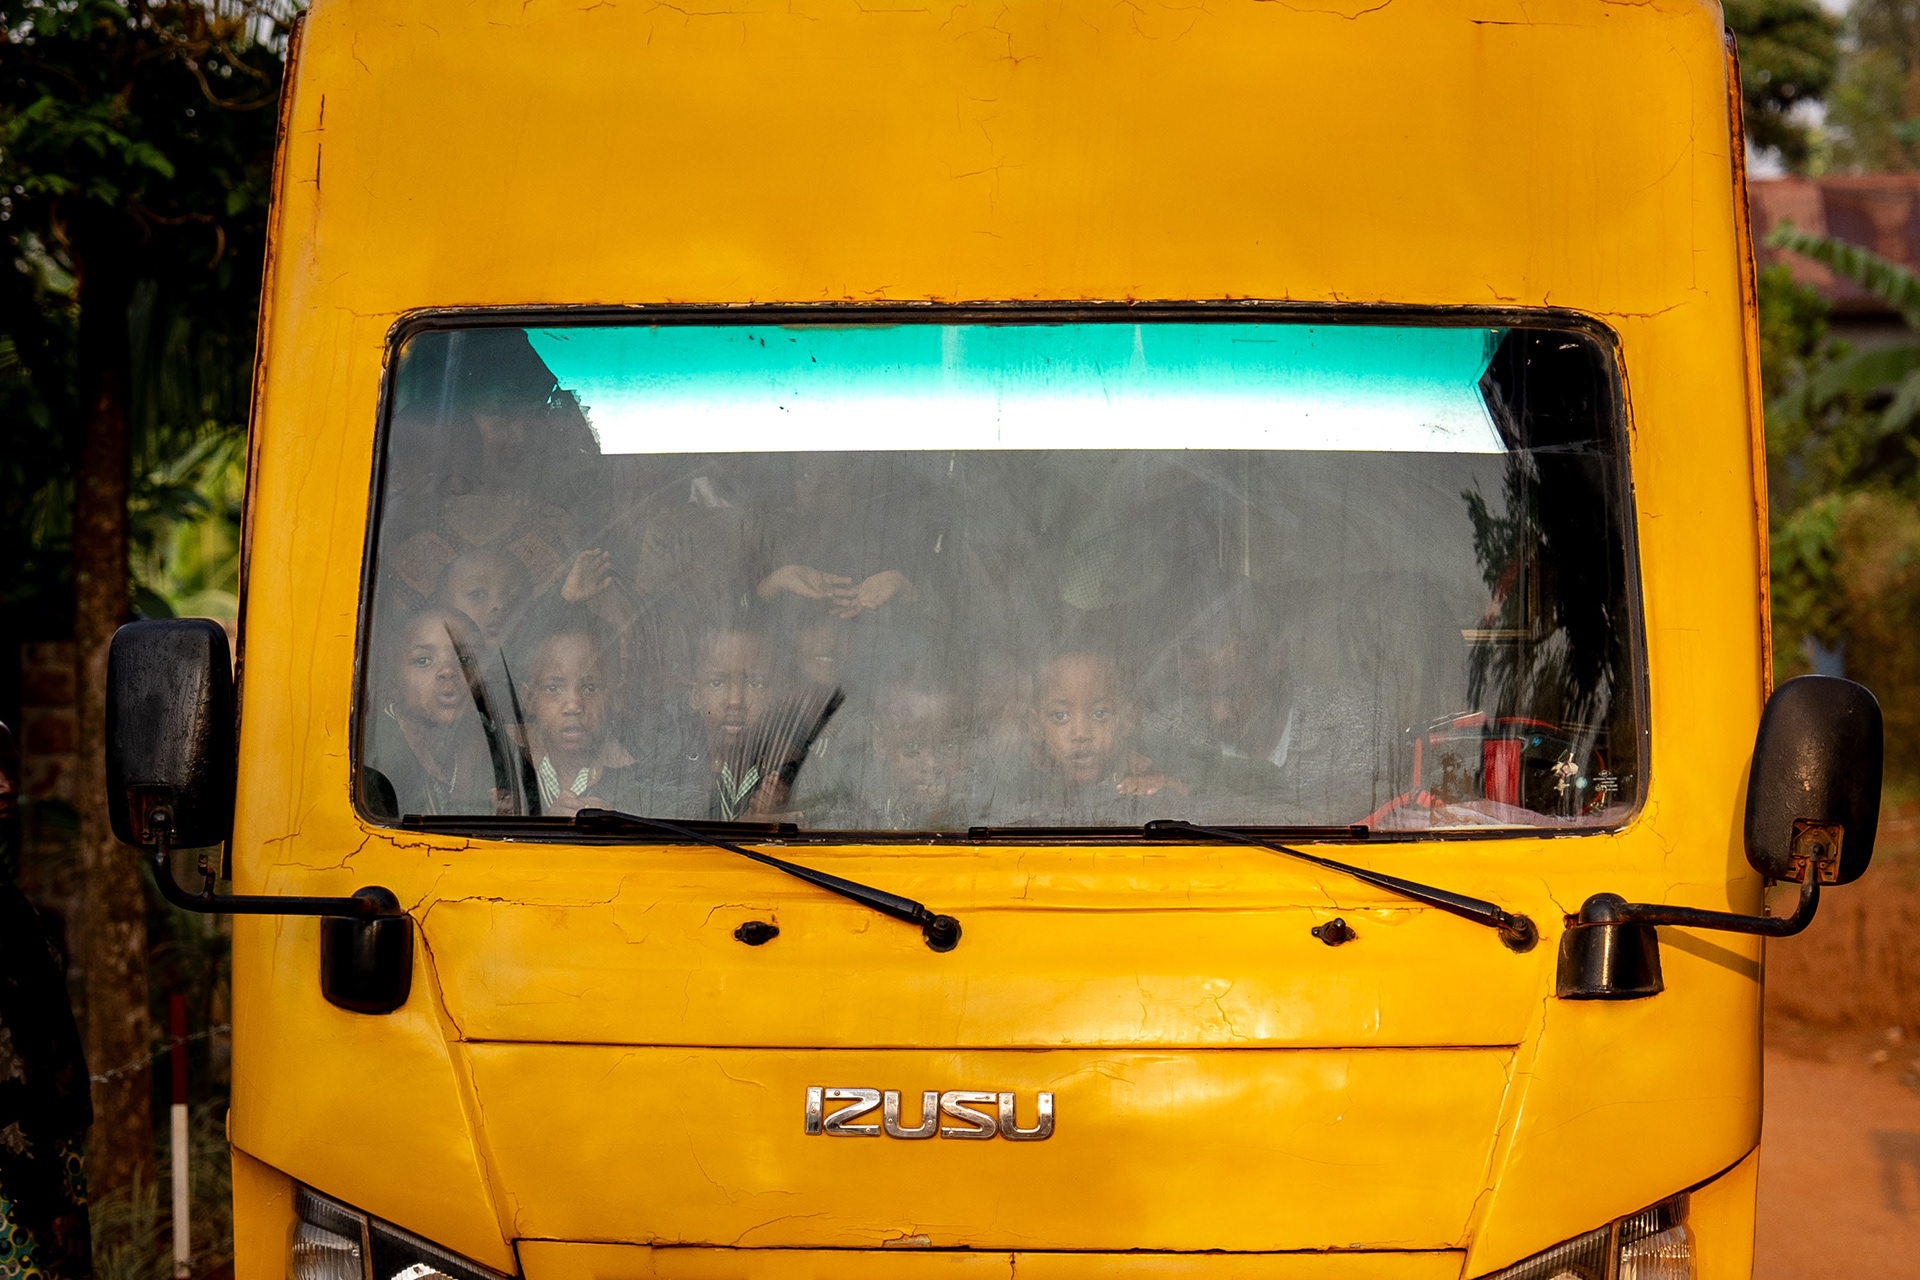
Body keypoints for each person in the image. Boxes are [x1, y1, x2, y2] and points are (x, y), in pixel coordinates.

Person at [0, 722, 92, 1280]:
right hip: (18, 1180)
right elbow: (7, 1069)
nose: (6, 785)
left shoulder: (6, 893)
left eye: (10, 768)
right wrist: (48, 1202)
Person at [362, 609, 503, 817]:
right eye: (423, 661)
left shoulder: (489, 739)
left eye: (464, 661)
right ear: (393, 680)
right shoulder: (374, 752)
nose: (447, 671)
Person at [516, 619, 642, 815]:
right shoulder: (507, 762)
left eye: (590, 687)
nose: (573, 706)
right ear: (529, 699)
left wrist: (620, 826)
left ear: (617, 698)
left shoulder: (638, 776)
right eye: (553, 688)